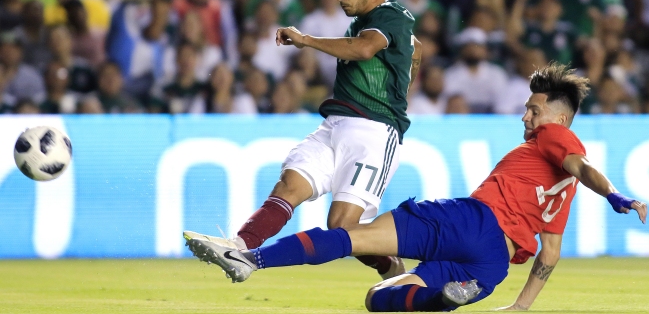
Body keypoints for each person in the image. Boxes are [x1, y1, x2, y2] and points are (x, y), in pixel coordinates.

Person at [185, 63, 647, 312]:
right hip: (493, 266)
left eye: (534, 109)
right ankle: (440, 299)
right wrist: (520, 309)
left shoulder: (556, 137)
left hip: (470, 222)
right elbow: (549, 254)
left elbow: (582, 165)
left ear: (560, 118)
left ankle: (250, 258)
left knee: (352, 237)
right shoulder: (559, 192)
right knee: (379, 301)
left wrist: (613, 195)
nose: (526, 117)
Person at [185, 0, 421, 280]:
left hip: (374, 134)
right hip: (336, 124)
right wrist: (410, 62)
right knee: (289, 184)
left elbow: (364, 48)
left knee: (342, 226)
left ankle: (391, 266)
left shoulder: (390, 14)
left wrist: (306, 40)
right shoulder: (369, 24)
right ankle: (240, 248)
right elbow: (415, 47)